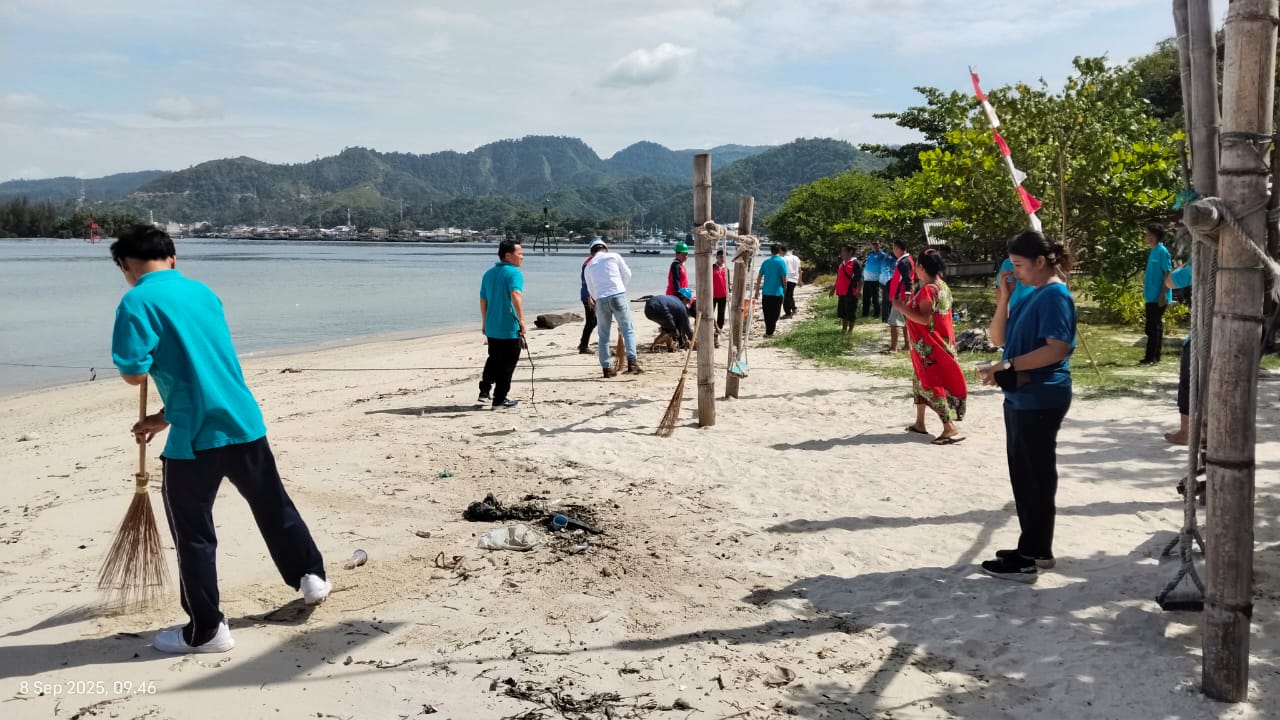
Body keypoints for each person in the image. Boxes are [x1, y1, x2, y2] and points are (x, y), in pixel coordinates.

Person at [109, 225, 329, 654]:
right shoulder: (203, 293)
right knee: (273, 505)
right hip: (243, 422)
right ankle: (311, 576)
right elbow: (206, 368)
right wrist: (162, 416)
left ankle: (207, 630)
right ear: (172, 258)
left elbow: (134, 372)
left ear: (125, 266)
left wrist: (142, 365)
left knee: (194, 534)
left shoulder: (135, 301)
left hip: (195, 440)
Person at [977, 230, 1077, 583]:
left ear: (1040, 261)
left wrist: (1008, 365)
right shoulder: (1032, 293)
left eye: (1019, 265)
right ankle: (1036, 548)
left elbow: (1057, 348)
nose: (1015, 272)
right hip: (1023, 396)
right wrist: (1004, 298)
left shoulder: (1054, 295)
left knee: (1033, 477)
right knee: (1026, 475)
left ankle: (1030, 555)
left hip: (1041, 396)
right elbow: (999, 338)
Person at [893, 249, 966, 444]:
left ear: (921, 268)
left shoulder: (928, 290)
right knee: (918, 380)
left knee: (931, 382)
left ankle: (949, 426)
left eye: (917, 266)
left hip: (930, 346)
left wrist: (901, 308)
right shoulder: (942, 286)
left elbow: (924, 319)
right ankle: (920, 422)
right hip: (940, 342)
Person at [584, 238, 643, 376]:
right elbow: (627, 274)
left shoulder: (588, 266)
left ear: (591, 253)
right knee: (627, 329)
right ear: (605, 249)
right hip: (618, 295)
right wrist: (620, 287)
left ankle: (607, 368)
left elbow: (590, 288)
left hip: (601, 299)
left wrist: (598, 297)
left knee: (603, 335)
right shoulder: (614, 256)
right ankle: (632, 362)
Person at [479, 240, 526, 409]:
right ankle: (499, 399)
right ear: (508, 255)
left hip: (492, 326)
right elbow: (515, 293)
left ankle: (484, 390)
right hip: (508, 327)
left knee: (494, 359)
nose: (522, 257)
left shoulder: (488, 273)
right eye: (519, 253)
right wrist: (521, 320)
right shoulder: (514, 273)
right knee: (507, 365)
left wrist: (484, 322)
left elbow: (483, 300)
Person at [1164, 260, 1194, 444]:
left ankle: (1186, 432)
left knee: (1188, 383)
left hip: (1203, 335)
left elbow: (1170, 281)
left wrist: (1182, 265)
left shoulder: (1201, 261)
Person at [1140, 223, 1172, 365]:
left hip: (1158, 296)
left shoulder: (1162, 251)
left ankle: (1151, 357)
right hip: (1150, 295)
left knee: (1153, 327)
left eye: (1147, 234)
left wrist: (1163, 294)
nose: (1145, 236)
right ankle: (1154, 356)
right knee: (1153, 327)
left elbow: (1167, 272)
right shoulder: (1153, 251)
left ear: (1153, 236)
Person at [882, 239, 914, 353]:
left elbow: (907, 279)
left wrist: (906, 293)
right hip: (902, 295)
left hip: (900, 296)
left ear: (898, 249)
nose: (893, 250)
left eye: (894, 248)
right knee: (905, 321)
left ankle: (894, 347)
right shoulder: (906, 260)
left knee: (893, 322)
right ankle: (907, 344)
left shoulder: (903, 262)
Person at [756, 244, 789, 337]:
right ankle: (770, 332)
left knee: (767, 313)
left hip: (766, 292)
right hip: (777, 292)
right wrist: (785, 289)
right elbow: (784, 278)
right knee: (775, 313)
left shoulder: (766, 262)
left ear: (771, 251)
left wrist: (757, 290)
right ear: (779, 251)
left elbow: (759, 276)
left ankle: (768, 331)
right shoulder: (781, 262)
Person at [829, 244, 862, 334]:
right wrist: (833, 289)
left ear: (850, 252)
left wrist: (858, 291)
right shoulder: (842, 264)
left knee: (850, 311)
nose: (842, 253)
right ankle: (844, 329)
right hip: (841, 291)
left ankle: (850, 331)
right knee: (843, 312)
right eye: (841, 251)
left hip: (851, 291)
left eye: (843, 251)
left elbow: (859, 279)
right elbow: (838, 278)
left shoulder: (855, 263)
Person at [578, 242, 602, 354]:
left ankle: (583, 344)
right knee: (591, 321)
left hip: (594, 295)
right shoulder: (588, 263)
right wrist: (588, 297)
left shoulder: (595, 261)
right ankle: (583, 346)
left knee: (593, 321)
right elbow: (585, 282)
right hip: (588, 297)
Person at [861, 239, 883, 318]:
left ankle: (876, 314)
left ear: (880, 245)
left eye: (876, 244)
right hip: (867, 280)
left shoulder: (882, 255)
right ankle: (865, 314)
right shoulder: (870, 254)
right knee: (866, 298)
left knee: (875, 298)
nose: (875, 246)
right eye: (873, 244)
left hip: (875, 280)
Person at [878, 241, 895, 323]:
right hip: (886, 282)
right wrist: (889, 281)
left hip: (893, 282)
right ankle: (885, 318)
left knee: (892, 300)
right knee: (886, 300)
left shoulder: (896, 257)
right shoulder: (888, 257)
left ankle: (891, 317)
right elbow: (885, 269)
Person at [713, 249, 730, 332]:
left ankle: (719, 329)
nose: (722, 259)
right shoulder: (712, 267)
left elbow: (728, 282)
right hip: (713, 295)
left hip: (723, 295)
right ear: (717, 257)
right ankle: (710, 328)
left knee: (721, 313)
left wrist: (729, 292)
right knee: (710, 313)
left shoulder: (726, 269)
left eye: (724, 257)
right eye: (721, 257)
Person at [783, 247, 802, 318]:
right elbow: (799, 270)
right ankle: (794, 308)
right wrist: (800, 280)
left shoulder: (783, 258)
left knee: (786, 296)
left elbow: (782, 270)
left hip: (787, 279)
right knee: (790, 295)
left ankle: (788, 313)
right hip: (794, 279)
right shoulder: (796, 258)